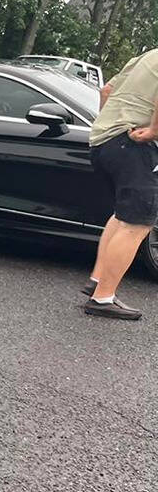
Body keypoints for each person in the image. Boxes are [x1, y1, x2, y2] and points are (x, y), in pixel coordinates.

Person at [82, 47, 158, 320]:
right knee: (138, 222)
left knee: (122, 216)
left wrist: (107, 125)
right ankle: (103, 298)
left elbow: (106, 91)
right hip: (133, 142)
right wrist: (153, 131)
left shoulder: (147, 56)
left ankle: (97, 282)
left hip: (104, 140)